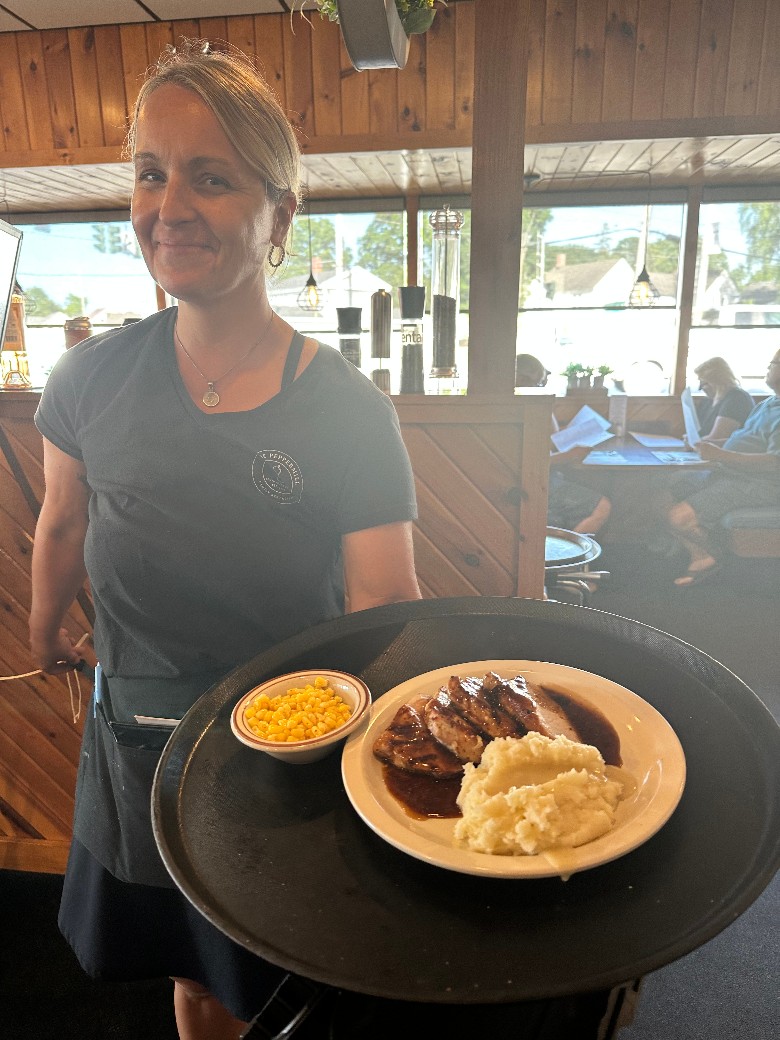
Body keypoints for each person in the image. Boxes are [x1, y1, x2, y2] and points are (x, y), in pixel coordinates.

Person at [29, 41, 420, 1040]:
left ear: (279, 218)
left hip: (286, 751)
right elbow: (62, 518)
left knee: (295, 975)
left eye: (211, 178)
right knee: (194, 976)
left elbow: (383, 597)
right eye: (150, 173)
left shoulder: (346, 408)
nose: (168, 206)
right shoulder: (86, 379)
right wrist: (44, 628)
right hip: (138, 733)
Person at [667, 350, 780, 587]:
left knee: (678, 516)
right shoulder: (768, 403)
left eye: (773, 363)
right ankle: (702, 552)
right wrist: (711, 445)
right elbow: (744, 440)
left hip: (761, 484)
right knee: (663, 491)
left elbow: (774, 462)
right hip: (732, 472)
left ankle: (714, 555)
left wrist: (721, 455)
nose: (768, 367)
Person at [515, 353, 611, 534]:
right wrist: (569, 455)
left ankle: (560, 541)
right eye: (538, 384)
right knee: (602, 507)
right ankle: (566, 549)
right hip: (532, 482)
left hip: (543, 477)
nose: (540, 389)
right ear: (520, 379)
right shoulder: (519, 407)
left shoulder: (526, 404)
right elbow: (524, 463)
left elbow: (548, 440)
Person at [691, 356, 754, 443]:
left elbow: (716, 438)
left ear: (716, 381)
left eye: (704, 383)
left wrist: (693, 441)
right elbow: (699, 433)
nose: (701, 388)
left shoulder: (737, 399)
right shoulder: (707, 401)